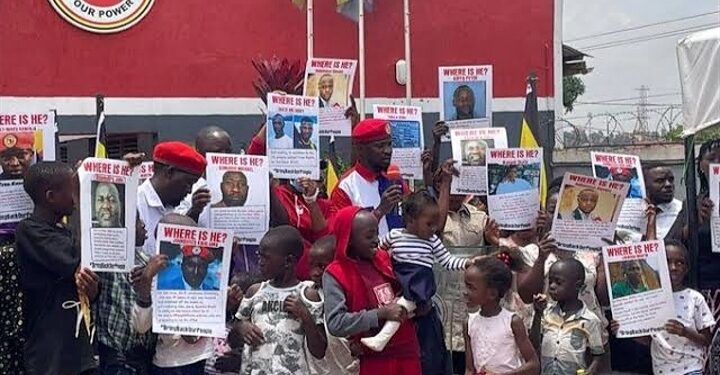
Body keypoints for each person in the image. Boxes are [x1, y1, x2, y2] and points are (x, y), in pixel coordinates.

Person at [360, 191, 467, 373]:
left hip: (418, 284)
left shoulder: (432, 241)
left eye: (435, 223)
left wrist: (468, 262)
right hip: (400, 280)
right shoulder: (394, 235)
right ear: (410, 220)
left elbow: (448, 261)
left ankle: (381, 339)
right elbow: (377, 252)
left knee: (404, 306)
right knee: (401, 308)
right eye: (429, 224)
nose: (434, 228)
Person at [15, 161, 98, 375]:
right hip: (50, 356)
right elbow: (73, 259)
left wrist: (93, 289)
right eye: (73, 191)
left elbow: (89, 272)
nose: (76, 197)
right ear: (51, 196)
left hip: (81, 352)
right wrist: (84, 204)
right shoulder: (30, 231)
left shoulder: (68, 232)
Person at [323, 206, 421, 374]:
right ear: (349, 238)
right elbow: (336, 323)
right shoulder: (336, 273)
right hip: (373, 359)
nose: (376, 240)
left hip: (407, 352)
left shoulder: (385, 258)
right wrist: (379, 314)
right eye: (369, 236)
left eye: (377, 233)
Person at [610, 240, 715, 375]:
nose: (673, 267)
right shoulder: (650, 299)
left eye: (680, 262)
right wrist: (623, 329)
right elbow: (651, 340)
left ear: (687, 268)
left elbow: (706, 340)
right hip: (662, 370)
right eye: (667, 261)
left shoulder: (695, 298)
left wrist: (684, 332)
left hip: (691, 368)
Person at [234, 225, 326, 374]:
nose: (260, 262)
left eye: (266, 257)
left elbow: (319, 351)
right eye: (259, 256)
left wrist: (306, 316)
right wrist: (241, 327)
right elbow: (234, 332)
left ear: (288, 261)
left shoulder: (307, 295)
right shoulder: (255, 292)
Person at [132, 213, 215, 374]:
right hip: (167, 362)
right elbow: (141, 326)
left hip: (198, 358)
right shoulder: (153, 274)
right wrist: (146, 281)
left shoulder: (208, 281)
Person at [94, 214, 163, 374]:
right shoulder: (104, 260)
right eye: (138, 220)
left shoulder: (148, 262)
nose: (144, 225)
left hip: (143, 357)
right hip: (115, 358)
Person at [669, 139, 720, 323]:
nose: (717, 163)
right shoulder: (692, 204)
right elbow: (672, 244)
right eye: (712, 158)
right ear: (700, 166)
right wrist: (694, 224)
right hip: (705, 291)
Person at [463, 256, 539, 375]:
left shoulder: (512, 322)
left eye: (471, 287)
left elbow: (533, 365)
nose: (465, 292)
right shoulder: (469, 322)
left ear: (492, 294)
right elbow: (469, 369)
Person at [331, 119, 406, 237]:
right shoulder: (346, 188)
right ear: (360, 149)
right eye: (380, 146)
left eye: (389, 144)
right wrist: (379, 211)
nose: (388, 151)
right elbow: (342, 235)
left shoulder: (395, 179)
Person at [532, 258, 606, 375]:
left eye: (558, 282)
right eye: (550, 281)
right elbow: (534, 343)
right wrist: (537, 314)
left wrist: (590, 371)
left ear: (577, 286)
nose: (552, 286)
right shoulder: (545, 313)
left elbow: (598, 354)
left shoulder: (589, 319)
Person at [137, 141, 207, 255]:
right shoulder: (134, 205)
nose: (189, 191)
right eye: (188, 183)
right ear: (169, 172)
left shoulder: (178, 206)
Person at [305, 235, 359, 375]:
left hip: (347, 369)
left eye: (322, 266)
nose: (315, 273)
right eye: (311, 265)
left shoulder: (354, 298)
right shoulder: (305, 292)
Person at [176, 126, 232, 222]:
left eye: (228, 151)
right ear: (199, 153)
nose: (224, 156)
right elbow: (177, 226)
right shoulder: (186, 186)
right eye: (216, 152)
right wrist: (195, 210)